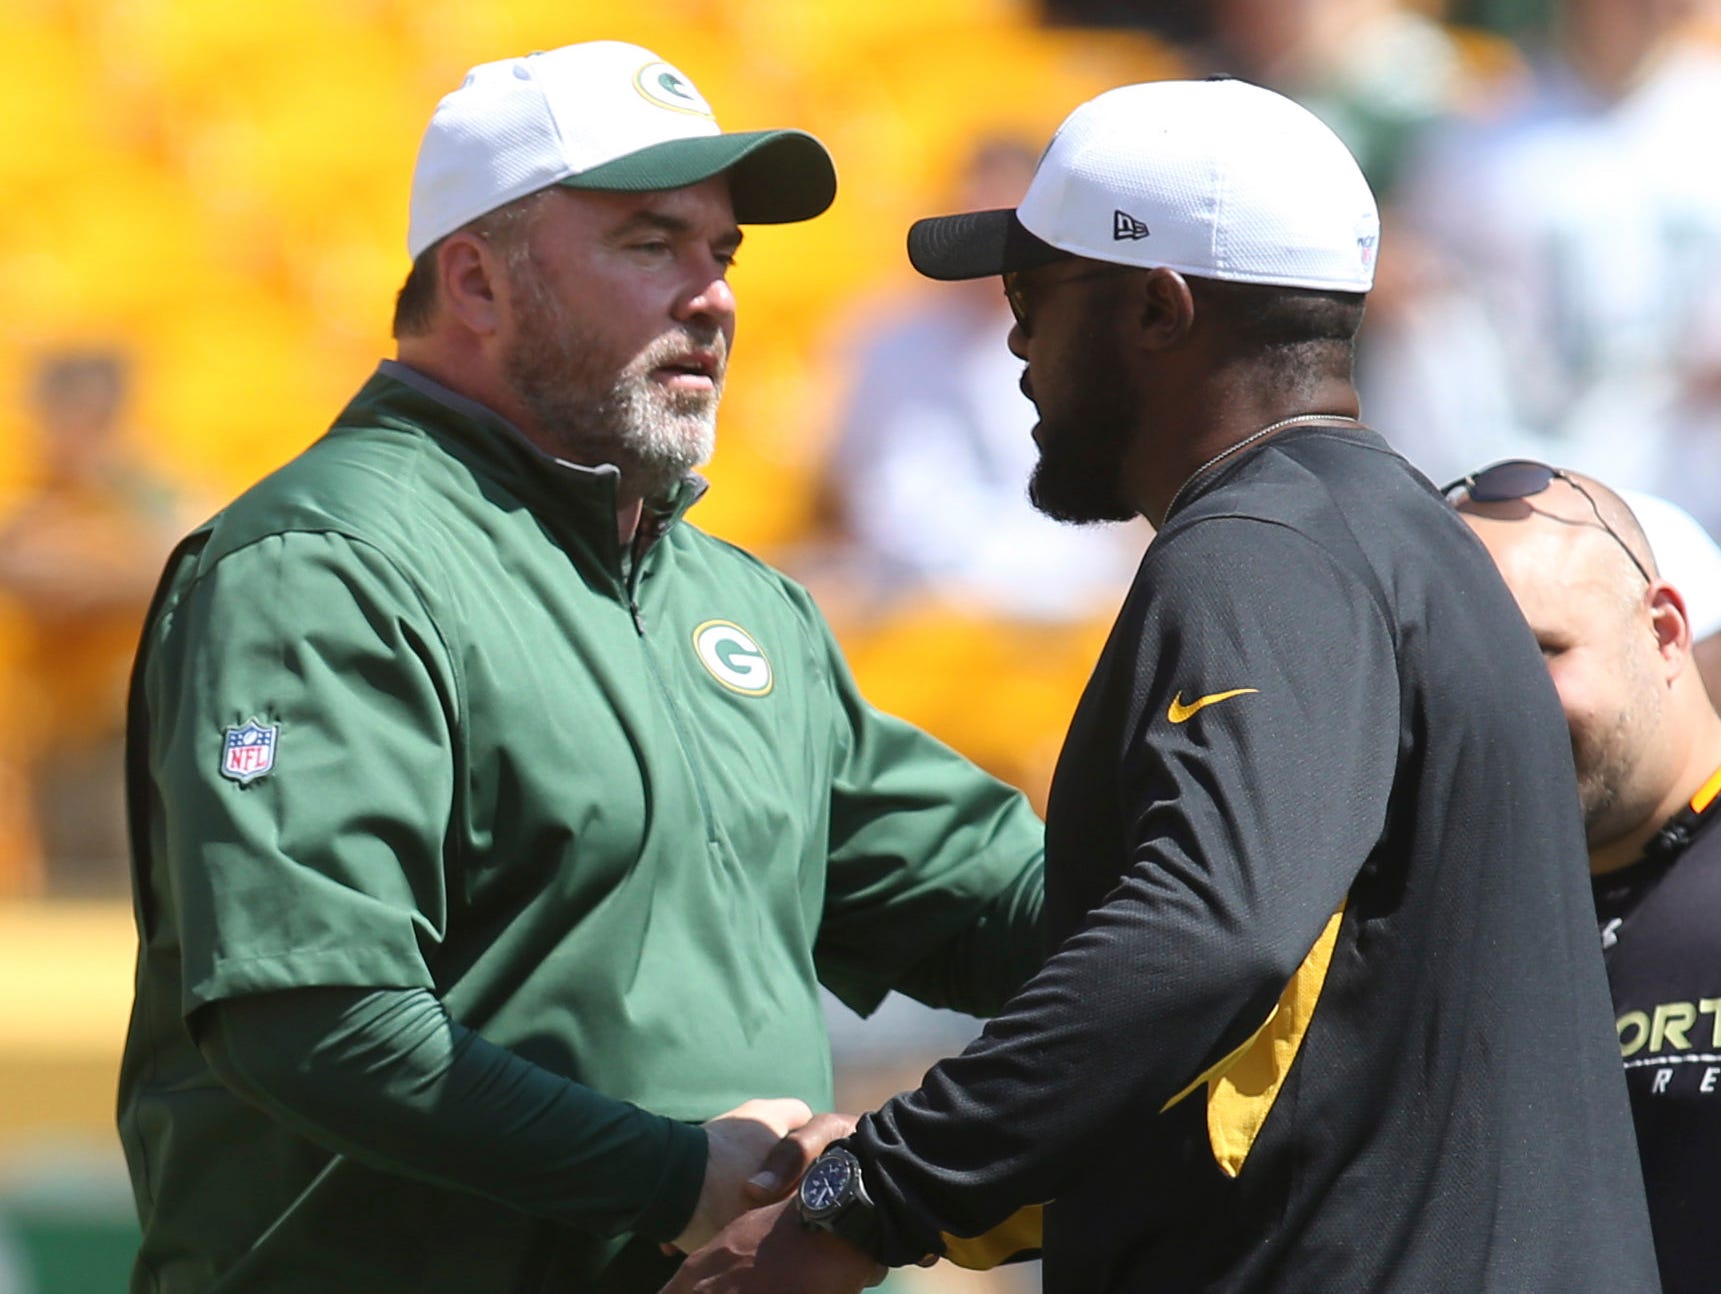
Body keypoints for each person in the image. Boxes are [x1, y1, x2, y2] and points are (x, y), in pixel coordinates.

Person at [665, 78, 1658, 1294]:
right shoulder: (1402, 537)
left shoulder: (1259, 550)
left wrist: (864, 1198)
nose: (1013, 340)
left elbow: (1201, 940)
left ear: (1156, 307)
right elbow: (1295, 1064)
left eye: (1031, 293)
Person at [116, 40, 1049, 1294]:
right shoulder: (324, 566)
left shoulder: (739, 602)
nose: (711, 298)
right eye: (649, 245)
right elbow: (311, 1018)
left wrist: (1251, 919)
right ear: (477, 281)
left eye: (721, 253)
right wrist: (674, 1178)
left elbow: (991, 902)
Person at [1452, 462, 1721, 1294]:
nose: (1501, 704)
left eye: (1539, 652)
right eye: (1456, 668)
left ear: (1664, 632)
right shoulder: (1432, 919)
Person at [1361, 0, 1721, 531]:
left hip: (1690, 502)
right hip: (1521, 490)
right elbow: (1411, 285)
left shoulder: (1707, 112)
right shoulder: (1484, 127)